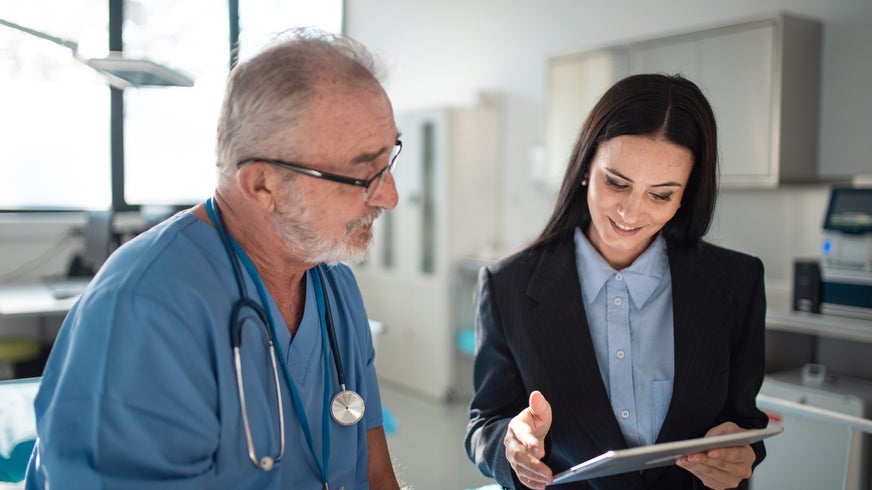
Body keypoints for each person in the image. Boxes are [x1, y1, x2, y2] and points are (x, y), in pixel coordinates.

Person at [26, 28, 402, 489]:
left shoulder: (333, 286)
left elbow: (374, 472)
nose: (390, 196)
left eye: (390, 161)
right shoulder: (145, 309)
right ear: (262, 185)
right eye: (364, 174)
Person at [464, 73, 769, 490]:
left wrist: (742, 454)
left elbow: (745, 421)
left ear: (686, 194)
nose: (630, 212)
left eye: (660, 194)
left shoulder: (738, 283)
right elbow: (485, 423)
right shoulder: (508, 286)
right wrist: (512, 446)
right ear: (587, 165)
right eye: (616, 182)